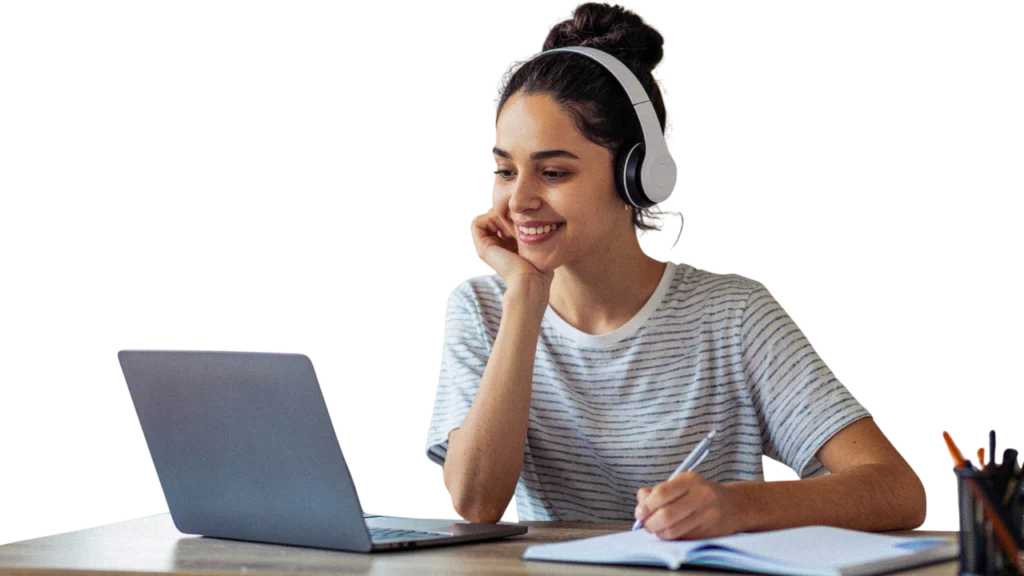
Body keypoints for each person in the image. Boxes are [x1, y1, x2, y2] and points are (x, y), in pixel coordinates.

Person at [426, 0, 927, 541]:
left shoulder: (735, 316)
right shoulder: (480, 306)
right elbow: (476, 504)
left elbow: (899, 493)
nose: (519, 200)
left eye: (552, 172)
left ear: (638, 175)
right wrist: (525, 294)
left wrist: (740, 507)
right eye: (504, 170)